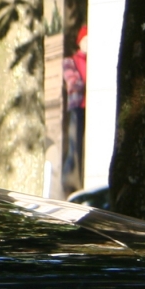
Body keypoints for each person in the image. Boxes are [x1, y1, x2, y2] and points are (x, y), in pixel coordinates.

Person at [63, 25, 88, 191]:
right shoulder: (70, 61)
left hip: (91, 108)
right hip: (78, 108)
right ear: (80, 42)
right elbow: (73, 83)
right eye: (86, 40)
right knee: (75, 146)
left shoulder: (95, 61)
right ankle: (71, 184)